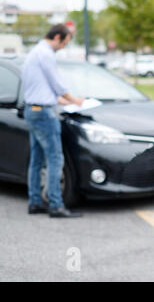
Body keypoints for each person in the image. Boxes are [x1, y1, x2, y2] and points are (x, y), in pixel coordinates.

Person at [22, 24, 85, 218]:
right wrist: (74, 100)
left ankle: (35, 202)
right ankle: (56, 205)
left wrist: (61, 99)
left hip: (32, 109)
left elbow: (40, 88)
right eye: (64, 43)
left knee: (37, 159)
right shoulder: (46, 54)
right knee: (55, 158)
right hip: (43, 113)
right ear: (57, 37)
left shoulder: (34, 53)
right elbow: (56, 84)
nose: (63, 48)